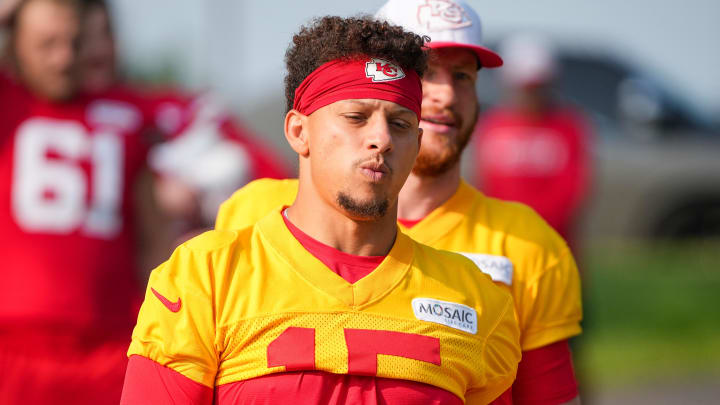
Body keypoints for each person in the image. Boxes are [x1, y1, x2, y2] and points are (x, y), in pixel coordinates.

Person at [121, 15, 520, 404]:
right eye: (356, 117)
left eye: (399, 124)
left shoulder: (480, 301)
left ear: (416, 144)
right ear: (298, 131)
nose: (380, 139)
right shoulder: (203, 278)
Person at [216, 1, 583, 404]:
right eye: (426, 72)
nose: (445, 95)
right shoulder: (254, 210)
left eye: (462, 76)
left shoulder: (529, 244)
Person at [0, 0, 159, 403]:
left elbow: (153, 243)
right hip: (12, 349)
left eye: (73, 42)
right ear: (14, 42)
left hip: (110, 350)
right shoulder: (9, 106)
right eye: (46, 43)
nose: (63, 58)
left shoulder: (129, 115)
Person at [78, 0, 291, 235]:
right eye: (82, 39)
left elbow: (267, 169)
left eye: (105, 33)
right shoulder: (38, 121)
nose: (97, 49)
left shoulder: (171, 108)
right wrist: (153, 191)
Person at [474, 34, 592, 245]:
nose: (530, 95)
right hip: (500, 240)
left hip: (553, 242)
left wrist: (532, 229)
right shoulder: (492, 125)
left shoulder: (569, 127)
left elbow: (571, 192)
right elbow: (485, 184)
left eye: (536, 87)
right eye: (523, 87)